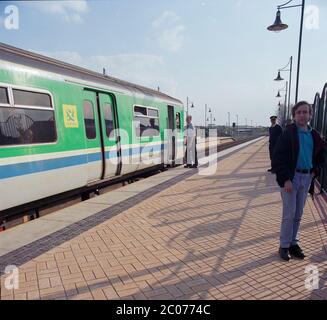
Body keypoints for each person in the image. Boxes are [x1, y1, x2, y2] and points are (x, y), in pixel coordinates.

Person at [272, 101, 325, 261]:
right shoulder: (288, 134)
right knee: (289, 213)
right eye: (299, 112)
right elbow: (278, 158)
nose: (302, 115)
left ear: (310, 115)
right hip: (292, 177)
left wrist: (315, 170)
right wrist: (286, 179)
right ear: (294, 116)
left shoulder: (314, 135)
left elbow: (321, 154)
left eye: (305, 112)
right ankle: (284, 245)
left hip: (306, 177)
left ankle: (294, 243)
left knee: (299, 213)